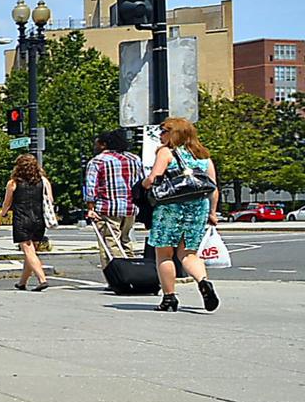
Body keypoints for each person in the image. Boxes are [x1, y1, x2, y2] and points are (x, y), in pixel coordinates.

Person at [142, 116, 220, 313]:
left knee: (164, 253)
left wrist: (144, 183)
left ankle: (169, 298)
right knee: (189, 253)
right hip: (197, 208)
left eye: (164, 131)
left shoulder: (166, 153)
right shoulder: (203, 157)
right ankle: (204, 282)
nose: (160, 135)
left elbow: (154, 179)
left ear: (174, 133)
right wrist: (212, 212)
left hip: (170, 207)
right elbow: (213, 187)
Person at [83, 130, 141, 252]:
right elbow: (140, 181)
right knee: (125, 241)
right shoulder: (134, 159)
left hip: (107, 208)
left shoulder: (98, 161)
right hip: (130, 208)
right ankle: (130, 268)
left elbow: (91, 187)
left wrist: (90, 208)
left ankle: (115, 270)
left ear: (104, 144)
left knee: (110, 244)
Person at [2, 153, 51, 291]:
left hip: (22, 220)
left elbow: (7, 202)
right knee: (32, 252)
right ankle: (22, 282)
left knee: (29, 251)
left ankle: (42, 279)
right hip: (38, 219)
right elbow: (50, 200)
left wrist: (3, 212)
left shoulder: (13, 183)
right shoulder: (44, 181)